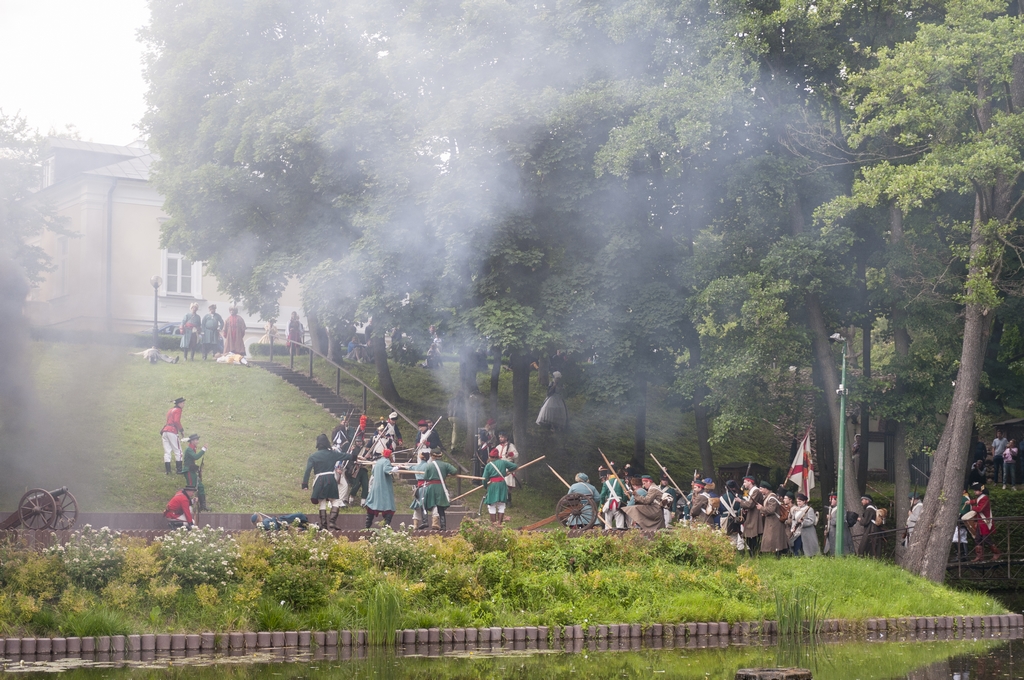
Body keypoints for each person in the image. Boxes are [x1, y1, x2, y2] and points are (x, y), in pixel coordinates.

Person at [302, 434, 344, 530]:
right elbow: (345, 456)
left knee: (322, 501)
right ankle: (332, 522)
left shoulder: (313, 456)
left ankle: (324, 525)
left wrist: (305, 484)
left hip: (319, 480)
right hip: (331, 479)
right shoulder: (332, 453)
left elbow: (307, 471)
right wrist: (355, 457)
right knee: (335, 500)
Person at [422, 449, 458, 530]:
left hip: (431, 487)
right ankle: (443, 525)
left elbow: (425, 477)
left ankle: (425, 521)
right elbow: (454, 471)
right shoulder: (445, 465)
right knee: (441, 507)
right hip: (441, 487)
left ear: (432, 456)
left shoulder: (429, 465)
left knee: (426, 504)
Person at [482, 449, 518, 525]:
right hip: (502, 484)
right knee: (501, 504)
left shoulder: (488, 465)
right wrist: (506, 472)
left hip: (493, 485)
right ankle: (499, 524)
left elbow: (484, 479)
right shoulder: (503, 462)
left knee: (491, 505)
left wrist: (485, 486)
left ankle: (494, 524)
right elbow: (514, 466)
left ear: (490, 457)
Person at [365, 449, 397, 528]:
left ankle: (367, 527)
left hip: (375, 487)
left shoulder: (378, 462)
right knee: (389, 506)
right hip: (384, 487)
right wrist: (395, 468)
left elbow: (373, 472)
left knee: (372, 506)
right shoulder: (386, 461)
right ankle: (386, 527)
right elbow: (387, 470)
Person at [970, 482, 1001, 562]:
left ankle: (997, 552)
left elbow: (980, 509)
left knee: (985, 538)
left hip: (985, 521)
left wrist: (972, 507)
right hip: (980, 521)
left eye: (976, 490)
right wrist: (970, 502)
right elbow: (976, 501)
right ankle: (979, 556)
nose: (974, 491)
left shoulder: (985, 498)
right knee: (977, 539)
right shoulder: (981, 498)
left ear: (980, 491)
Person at [757, 481, 788, 557]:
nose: (760, 490)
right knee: (772, 539)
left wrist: (761, 508)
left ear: (766, 489)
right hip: (771, 521)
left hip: (774, 522)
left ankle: (778, 554)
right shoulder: (768, 497)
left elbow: (771, 510)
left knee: (775, 539)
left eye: (761, 489)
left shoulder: (772, 497)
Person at [182, 434, 209, 512]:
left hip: (192, 471)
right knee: (191, 488)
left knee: (200, 486)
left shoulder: (192, 448)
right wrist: (203, 449)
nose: (197, 441)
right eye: (196, 440)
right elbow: (196, 457)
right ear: (192, 441)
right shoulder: (189, 449)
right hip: (189, 471)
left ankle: (202, 506)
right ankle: (187, 505)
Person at [738, 476, 764, 556]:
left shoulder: (756, 491)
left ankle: (756, 553)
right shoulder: (751, 491)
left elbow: (750, 504)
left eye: (745, 482)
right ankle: (754, 553)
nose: (744, 484)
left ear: (750, 482)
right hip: (751, 515)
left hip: (755, 516)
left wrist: (740, 501)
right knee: (748, 536)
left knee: (753, 536)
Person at [161, 397, 186, 475]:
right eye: (183, 403)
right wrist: (181, 430)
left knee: (167, 451)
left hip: (165, 431)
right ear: (179, 404)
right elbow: (176, 421)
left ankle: (168, 470)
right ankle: (179, 470)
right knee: (178, 451)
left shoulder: (170, 410)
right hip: (172, 431)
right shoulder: (178, 410)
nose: (184, 405)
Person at [598, 466, 627, 530]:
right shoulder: (621, 481)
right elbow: (625, 494)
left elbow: (602, 496)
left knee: (607, 526)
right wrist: (624, 502)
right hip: (619, 504)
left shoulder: (606, 483)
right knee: (620, 526)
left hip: (609, 504)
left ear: (608, 475)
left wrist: (600, 509)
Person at [409, 449, 431, 529]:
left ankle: (417, 524)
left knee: (419, 505)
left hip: (422, 487)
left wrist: (404, 465)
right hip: (427, 487)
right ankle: (416, 524)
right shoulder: (429, 466)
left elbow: (410, 468)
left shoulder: (417, 466)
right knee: (422, 504)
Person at [494, 432, 519, 504]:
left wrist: (510, 454)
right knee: (499, 483)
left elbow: (516, 454)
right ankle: (500, 499)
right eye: (500, 437)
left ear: (506, 437)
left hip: (508, 466)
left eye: (502, 437)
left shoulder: (511, 446)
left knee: (508, 484)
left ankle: (508, 500)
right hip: (499, 467)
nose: (500, 438)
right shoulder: (498, 447)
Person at [720, 479, 745, 550]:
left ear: (726, 487)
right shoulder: (739, 497)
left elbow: (720, 510)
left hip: (725, 518)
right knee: (736, 535)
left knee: (725, 536)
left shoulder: (721, 498)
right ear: (734, 487)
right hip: (736, 518)